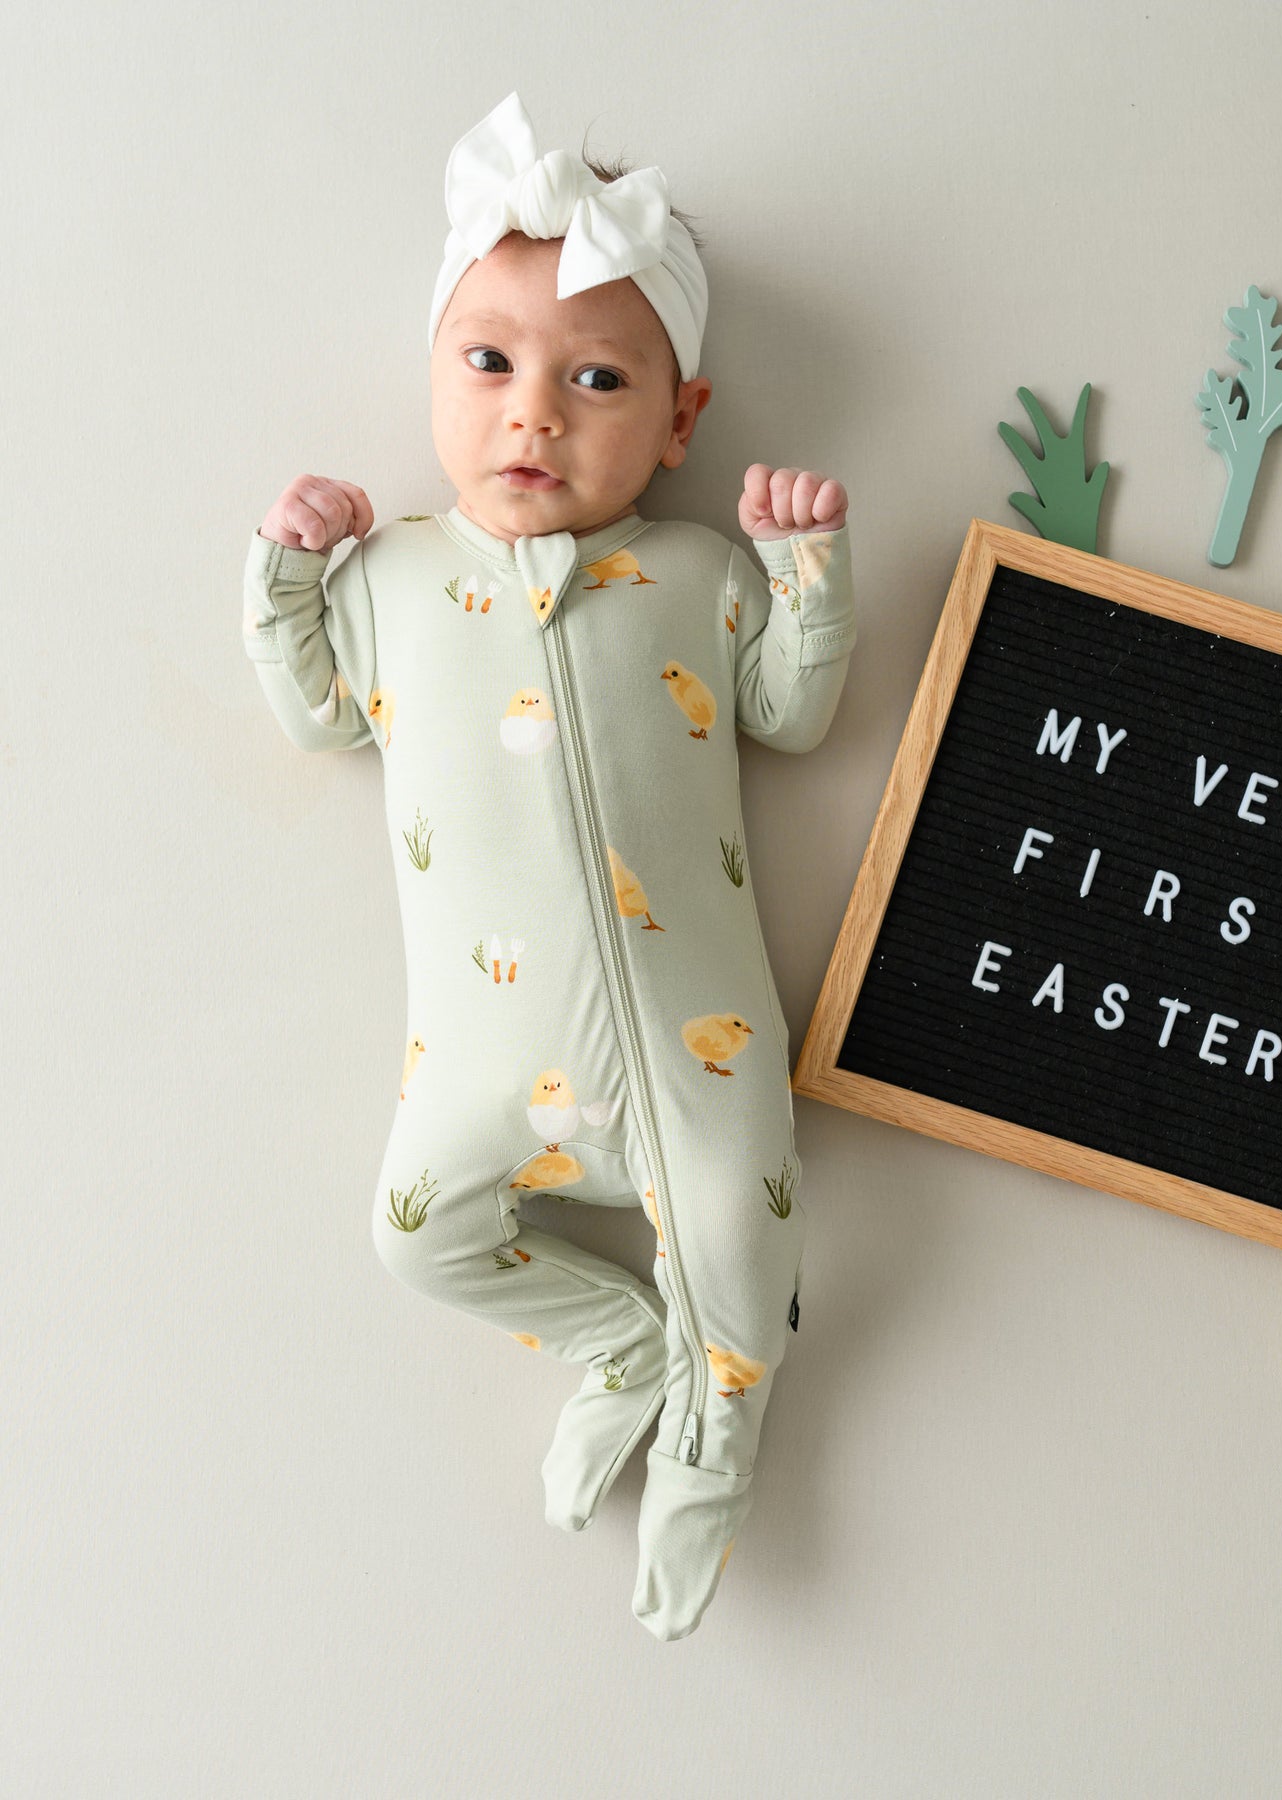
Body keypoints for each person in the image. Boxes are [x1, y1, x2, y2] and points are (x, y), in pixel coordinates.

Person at [241, 91, 854, 1641]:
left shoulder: (700, 574)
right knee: (412, 1234)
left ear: (680, 421)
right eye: (492, 365)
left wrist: (807, 573)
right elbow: (316, 713)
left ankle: (719, 1436)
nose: (535, 416)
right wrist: (289, 572)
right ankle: (620, 1344)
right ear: (436, 376)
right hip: (484, 1069)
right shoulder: (393, 576)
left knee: (744, 1247)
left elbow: (790, 712)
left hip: (697, 1050)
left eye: (596, 381)